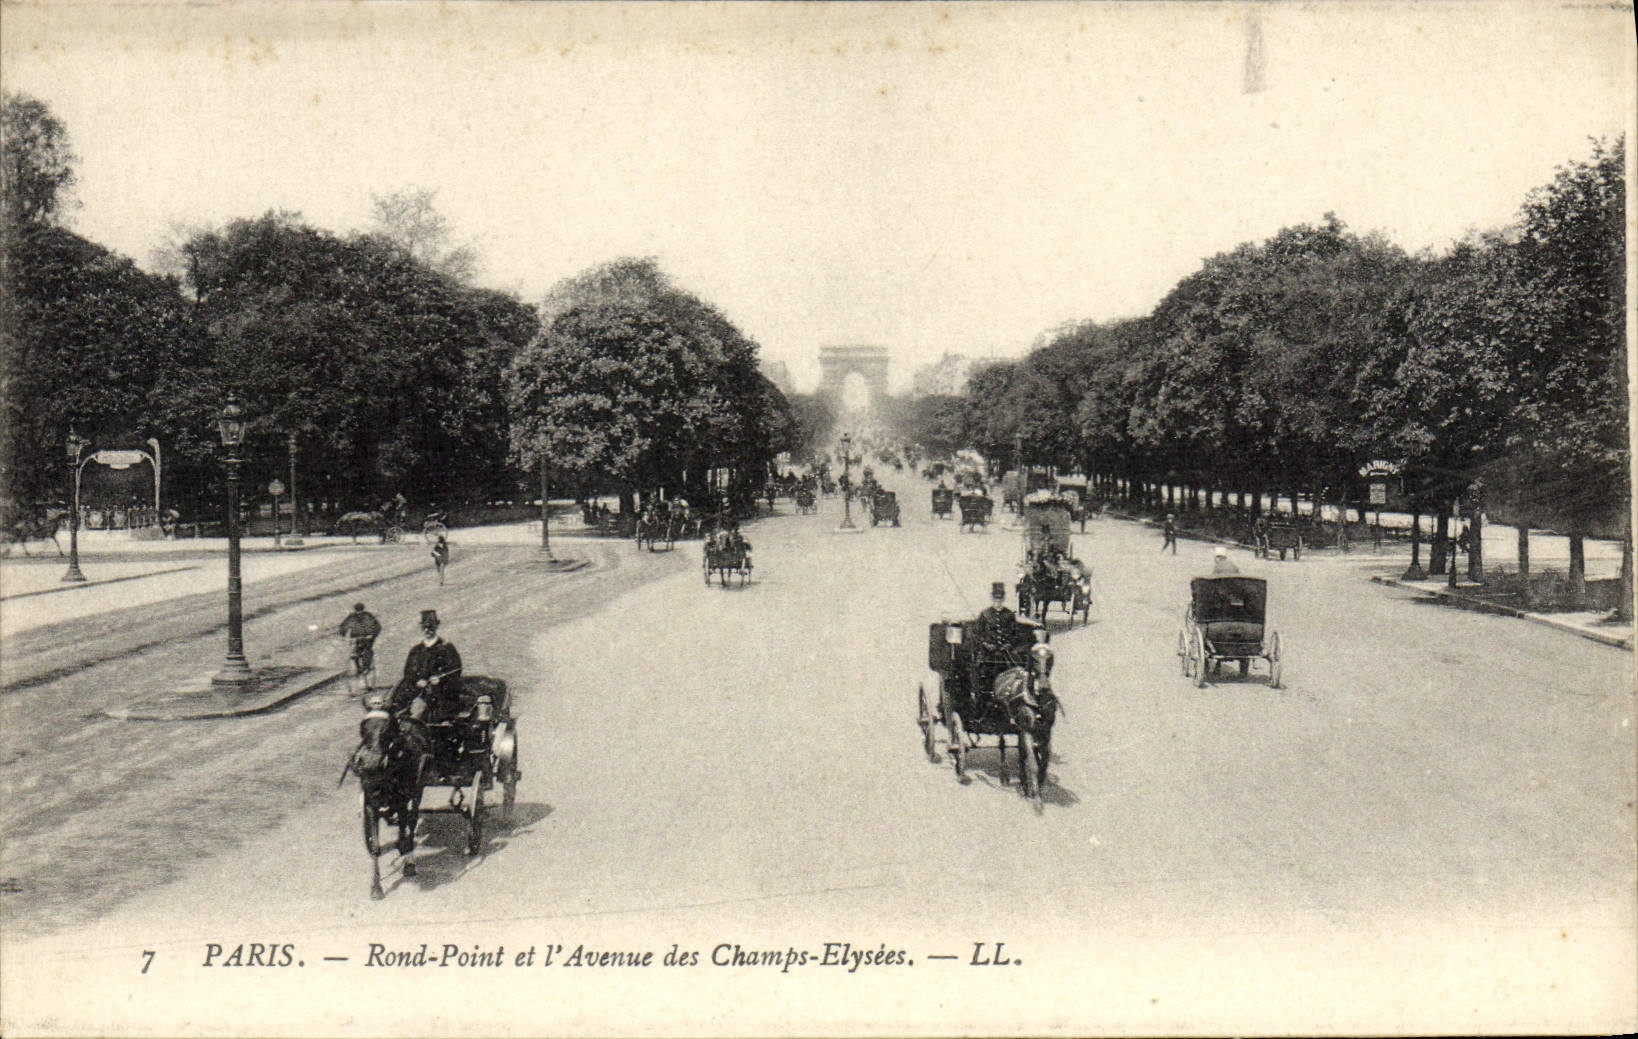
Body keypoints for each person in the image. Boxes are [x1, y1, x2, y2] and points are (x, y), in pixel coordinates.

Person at [390, 610, 464, 763]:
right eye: (424, 627)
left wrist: (440, 680)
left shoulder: (446, 648)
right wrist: (417, 681)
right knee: (400, 708)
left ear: (436, 626)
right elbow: (408, 672)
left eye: (430, 627)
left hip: (440, 692)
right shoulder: (416, 651)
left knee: (442, 712)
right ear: (421, 628)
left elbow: (455, 670)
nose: (427, 630)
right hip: (417, 691)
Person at [338, 602, 382, 690]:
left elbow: (377, 627)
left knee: (367, 651)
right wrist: (343, 634)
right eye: (358, 611)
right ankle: (360, 667)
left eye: (360, 611)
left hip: (366, 638)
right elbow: (343, 626)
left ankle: (366, 666)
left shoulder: (366, 616)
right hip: (358, 638)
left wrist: (372, 635)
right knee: (356, 652)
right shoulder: (353, 617)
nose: (359, 613)